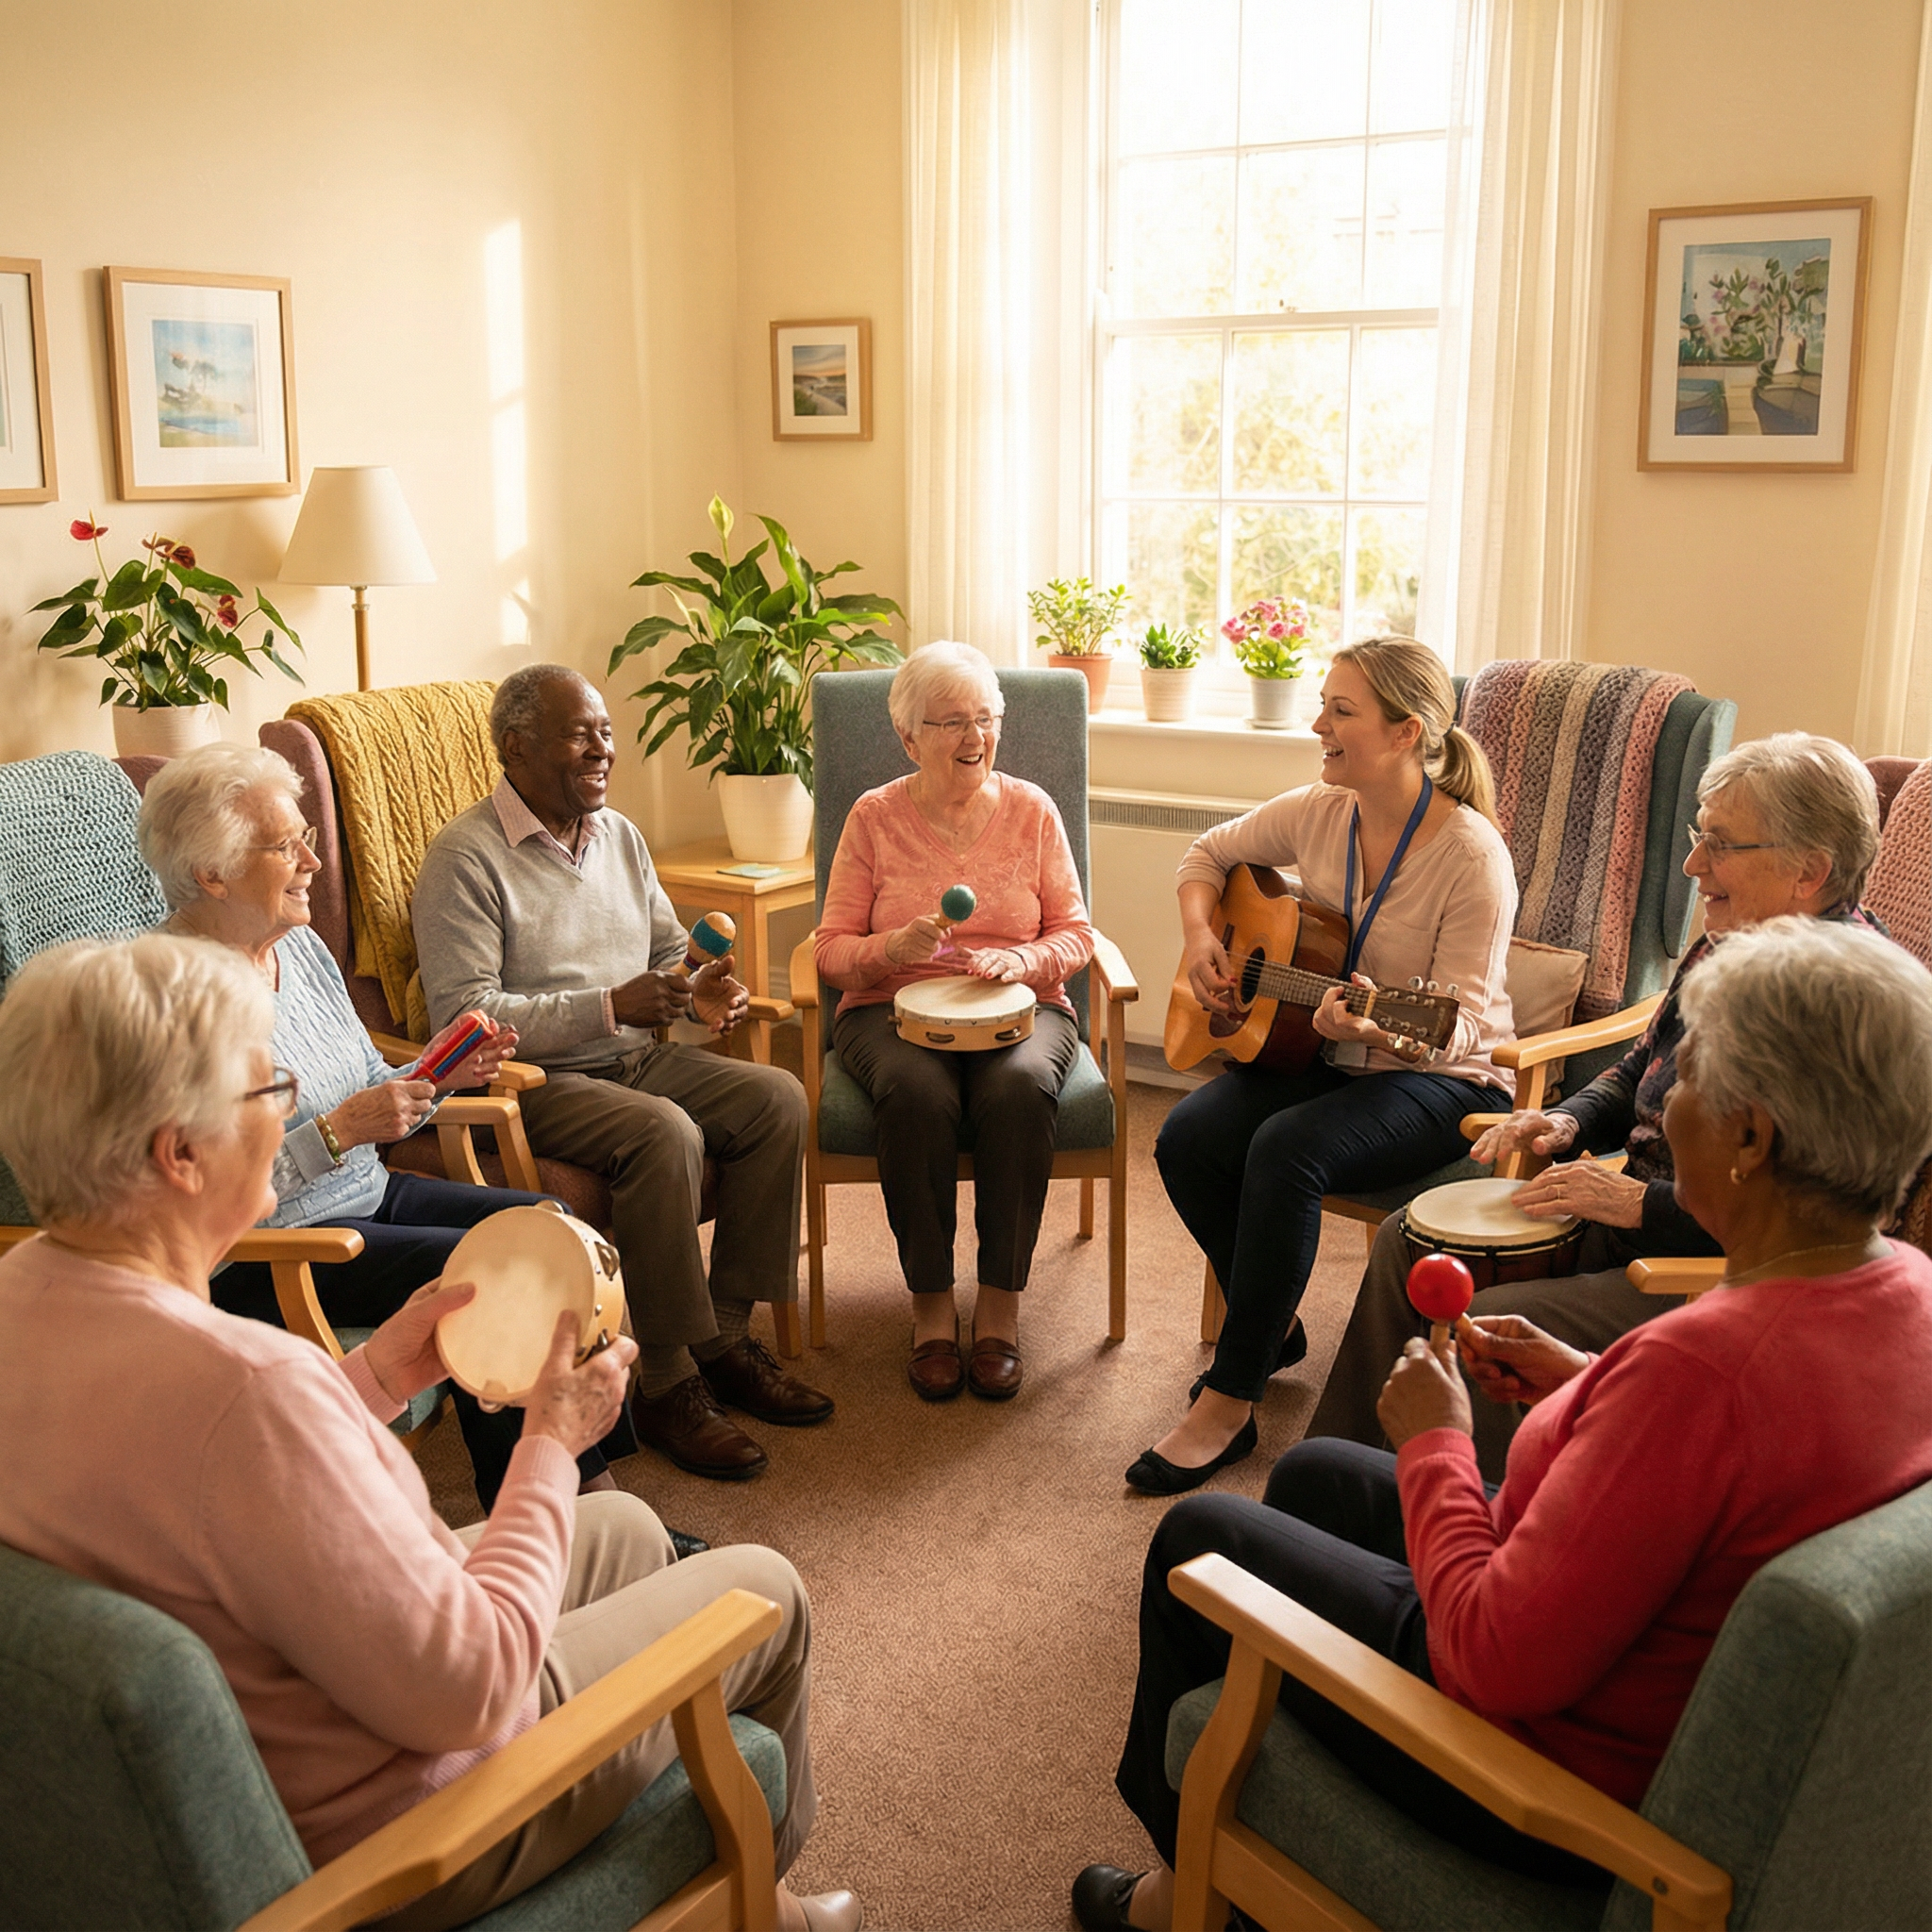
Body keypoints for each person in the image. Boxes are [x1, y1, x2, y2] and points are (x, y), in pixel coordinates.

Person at [1074, 917, 1932, 1931]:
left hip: (1542, 1773)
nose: (1665, 1107)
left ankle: (1182, 1895)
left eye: (1688, 1079)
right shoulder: (1905, 1288)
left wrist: (1440, 1436)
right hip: (1626, 1651)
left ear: (1750, 1137)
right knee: (1315, 1479)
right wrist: (1584, 1380)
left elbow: (1489, 1656)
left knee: (1198, 1541)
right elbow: (1729, 1459)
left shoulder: (1693, 1372)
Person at [0, 934, 858, 1932]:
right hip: (408, 1821)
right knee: (766, 1586)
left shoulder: (27, 1300)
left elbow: (191, 1486)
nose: (287, 1109)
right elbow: (476, 1689)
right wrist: (547, 1438)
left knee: (623, 1529)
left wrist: (372, 1375)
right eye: (266, 1088)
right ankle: (769, 1907)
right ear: (178, 1154)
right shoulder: (253, 1387)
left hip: (291, 1701)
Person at [1307, 731, 1888, 1479]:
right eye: (1696, 835)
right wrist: (1569, 1120)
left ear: (1809, 871)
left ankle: (1463, 1530)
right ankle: (1344, 1478)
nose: (1692, 865)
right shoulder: (1729, 942)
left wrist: (1638, 1205)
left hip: (1712, 1269)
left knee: (1487, 1334)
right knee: (1404, 1242)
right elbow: (1637, 1066)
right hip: (1626, 1214)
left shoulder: (1847, 1007)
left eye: (1720, 844)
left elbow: (1811, 1220)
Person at [138, 741, 633, 1513]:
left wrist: (436, 1079)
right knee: (491, 1277)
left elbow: (372, 1086)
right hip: (269, 1247)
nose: (310, 859)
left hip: (367, 1189)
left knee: (550, 1227)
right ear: (213, 873)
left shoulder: (298, 948)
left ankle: (592, 1490)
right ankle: (551, 1507)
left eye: (307, 836)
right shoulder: (168, 995)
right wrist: (332, 1134)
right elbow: (191, 1197)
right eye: (285, 845)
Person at [412, 664, 831, 1482]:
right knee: (664, 1132)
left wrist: (703, 988)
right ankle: (666, 1382)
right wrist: (610, 1005)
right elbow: (463, 1019)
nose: (604, 749)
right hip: (533, 1080)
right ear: (516, 747)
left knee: (778, 1098)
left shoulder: (619, 836)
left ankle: (724, 1336)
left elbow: (667, 951)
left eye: (606, 731)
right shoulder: (465, 860)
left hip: (637, 1055)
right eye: (580, 734)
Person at [1138, 637, 1516, 1494]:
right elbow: (1204, 857)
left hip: (1434, 1081)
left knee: (1285, 1148)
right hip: (1322, 1049)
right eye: (1324, 705)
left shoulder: (1471, 857)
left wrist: (1379, 1028)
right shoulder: (1318, 810)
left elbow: (1457, 1026)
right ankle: (1269, 1330)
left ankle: (1230, 1402)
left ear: (1403, 731)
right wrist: (1206, 941)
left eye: (1340, 711)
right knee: (1187, 1136)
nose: (1318, 724)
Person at [813, 641, 1096, 1401]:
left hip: (1023, 1006)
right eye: (952, 723)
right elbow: (831, 952)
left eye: (986, 718)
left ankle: (999, 1307)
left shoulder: (1033, 810)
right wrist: (890, 948)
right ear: (908, 738)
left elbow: (1076, 932)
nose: (975, 737)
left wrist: (1027, 964)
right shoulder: (874, 818)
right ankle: (932, 1305)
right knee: (915, 1093)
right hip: (890, 1009)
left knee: (1019, 1087)